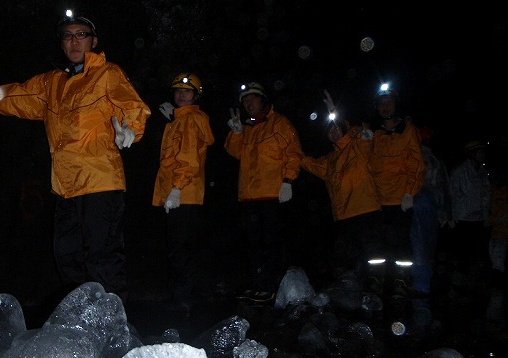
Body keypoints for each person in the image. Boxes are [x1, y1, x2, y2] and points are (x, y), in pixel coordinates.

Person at [0, 10, 151, 304]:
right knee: (66, 257)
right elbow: (14, 96)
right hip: (65, 187)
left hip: (101, 183)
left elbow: (131, 106)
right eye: (68, 36)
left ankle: (113, 331)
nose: (74, 41)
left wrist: (130, 130)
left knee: (102, 259)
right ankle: (81, 324)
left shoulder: (108, 74)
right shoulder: (51, 83)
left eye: (81, 34)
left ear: (93, 41)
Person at [224, 82, 304, 304]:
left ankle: (272, 286)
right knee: (253, 244)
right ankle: (257, 285)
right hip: (249, 196)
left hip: (272, 195)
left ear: (263, 101)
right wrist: (236, 132)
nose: (249, 103)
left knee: (272, 243)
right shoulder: (247, 126)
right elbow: (234, 152)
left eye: (253, 99)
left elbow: (294, 153)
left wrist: (288, 180)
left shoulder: (279, 123)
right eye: (245, 101)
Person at [300, 90, 381, 285]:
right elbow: (307, 162)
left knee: (373, 257)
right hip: (344, 216)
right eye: (329, 130)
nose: (333, 132)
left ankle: (376, 289)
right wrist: (289, 150)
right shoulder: (330, 160)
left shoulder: (357, 143)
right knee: (344, 257)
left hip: (366, 211)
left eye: (336, 128)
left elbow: (359, 135)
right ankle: (351, 291)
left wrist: (334, 111)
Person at [152, 73, 215, 314]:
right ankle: (185, 296)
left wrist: (177, 189)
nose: (181, 95)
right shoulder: (181, 120)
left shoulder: (191, 120)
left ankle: (182, 301)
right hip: (180, 193)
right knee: (181, 246)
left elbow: (188, 159)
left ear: (196, 95)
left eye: (187, 92)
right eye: (178, 91)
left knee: (181, 248)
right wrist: (173, 119)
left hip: (183, 193)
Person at [367, 83, 425, 296]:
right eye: (381, 103)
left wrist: (410, 192)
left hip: (401, 200)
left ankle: (401, 281)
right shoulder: (374, 134)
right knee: (377, 245)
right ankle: (376, 280)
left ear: (396, 105)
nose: (385, 107)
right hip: (378, 200)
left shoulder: (408, 131)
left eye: (389, 102)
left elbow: (417, 165)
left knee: (401, 245)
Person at [409, 126, 453, 297]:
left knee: (419, 248)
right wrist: (445, 213)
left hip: (419, 207)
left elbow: (441, 187)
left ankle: (420, 287)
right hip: (426, 208)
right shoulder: (432, 158)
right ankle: (421, 286)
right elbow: (443, 188)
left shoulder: (419, 158)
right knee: (425, 248)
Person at [449, 139, 492, 290]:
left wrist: (486, 216)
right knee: (461, 252)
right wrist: (451, 216)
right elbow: (452, 195)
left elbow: (486, 196)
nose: (482, 155)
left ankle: (473, 283)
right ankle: (458, 283)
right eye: (479, 152)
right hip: (462, 218)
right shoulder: (460, 172)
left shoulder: (482, 172)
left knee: (477, 252)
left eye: (483, 152)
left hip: (478, 218)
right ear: (472, 154)